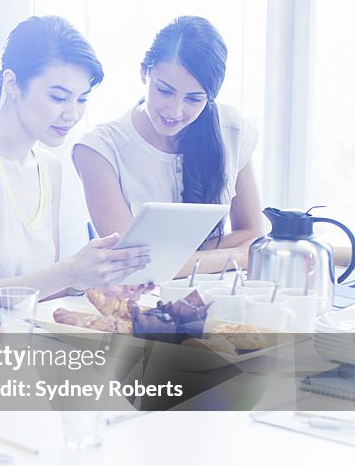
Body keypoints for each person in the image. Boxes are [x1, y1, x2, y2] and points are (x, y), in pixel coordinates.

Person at [0, 16, 150, 308]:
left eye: (82, 99)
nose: (72, 114)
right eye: (59, 97)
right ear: (12, 83)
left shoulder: (49, 167)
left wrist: (88, 281)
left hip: (27, 337)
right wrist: (70, 270)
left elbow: (37, 289)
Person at [73, 16, 264, 277]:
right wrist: (237, 256)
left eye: (194, 99)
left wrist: (169, 258)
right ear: (144, 72)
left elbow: (253, 234)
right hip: (140, 306)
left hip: (219, 298)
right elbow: (130, 265)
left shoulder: (231, 130)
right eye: (164, 91)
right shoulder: (100, 149)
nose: (175, 111)